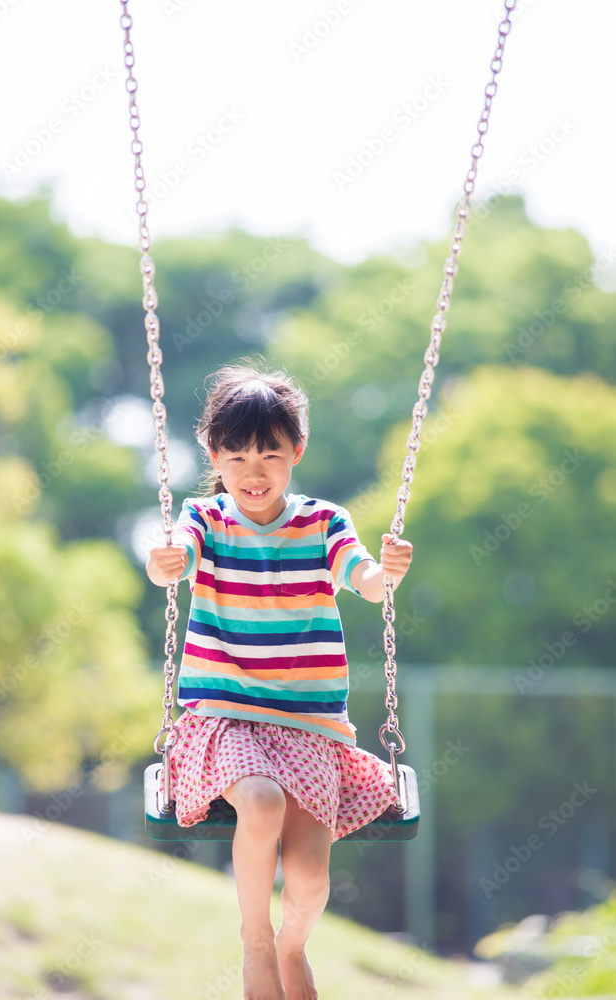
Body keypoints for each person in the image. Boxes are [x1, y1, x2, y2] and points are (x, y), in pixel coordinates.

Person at [147, 361, 413, 1000]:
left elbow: (366, 580)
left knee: (310, 880)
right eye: (236, 456)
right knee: (261, 802)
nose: (254, 471)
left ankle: (293, 944)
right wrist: (167, 564)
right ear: (215, 456)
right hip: (223, 718)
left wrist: (390, 573)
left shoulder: (324, 522)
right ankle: (256, 943)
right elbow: (174, 565)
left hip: (311, 728)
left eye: (270, 453)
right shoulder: (205, 520)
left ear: (297, 450)